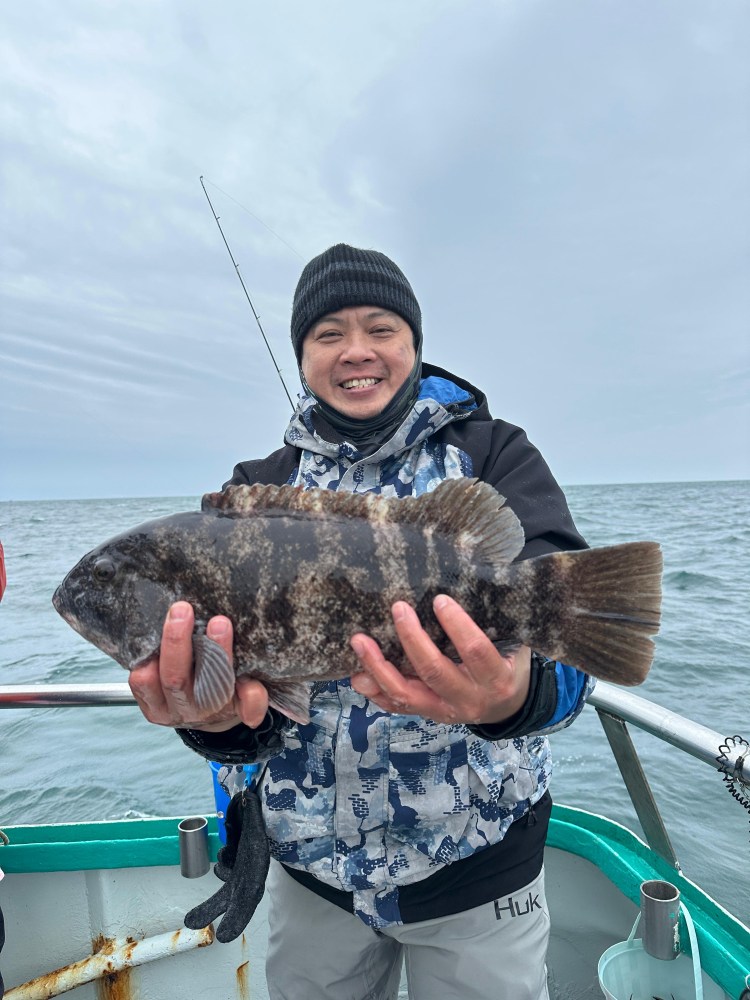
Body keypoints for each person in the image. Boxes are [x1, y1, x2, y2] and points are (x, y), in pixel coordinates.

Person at [129, 244, 593, 1000]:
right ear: (303, 354)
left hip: (480, 874)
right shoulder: (256, 490)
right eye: (327, 334)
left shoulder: (494, 454)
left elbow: (575, 659)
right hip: (312, 877)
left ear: (414, 342)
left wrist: (513, 696)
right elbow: (250, 720)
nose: (356, 351)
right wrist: (212, 724)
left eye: (380, 327)